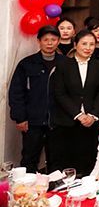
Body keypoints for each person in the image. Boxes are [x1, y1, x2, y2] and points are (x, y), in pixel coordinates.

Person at [9, 25, 66, 172]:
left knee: (56, 160)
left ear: (58, 41)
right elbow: (16, 92)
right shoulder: (26, 64)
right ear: (39, 41)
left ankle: (54, 186)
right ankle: (28, 186)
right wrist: (20, 118)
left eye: (53, 39)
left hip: (57, 121)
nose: (49, 43)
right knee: (29, 159)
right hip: (32, 121)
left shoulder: (65, 63)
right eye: (45, 39)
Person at [51, 29, 99, 175]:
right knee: (66, 163)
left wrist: (92, 115)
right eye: (84, 44)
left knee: (88, 162)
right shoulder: (63, 65)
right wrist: (78, 115)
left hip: (91, 123)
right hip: (67, 121)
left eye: (92, 44)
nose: (88, 48)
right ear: (75, 45)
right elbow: (59, 93)